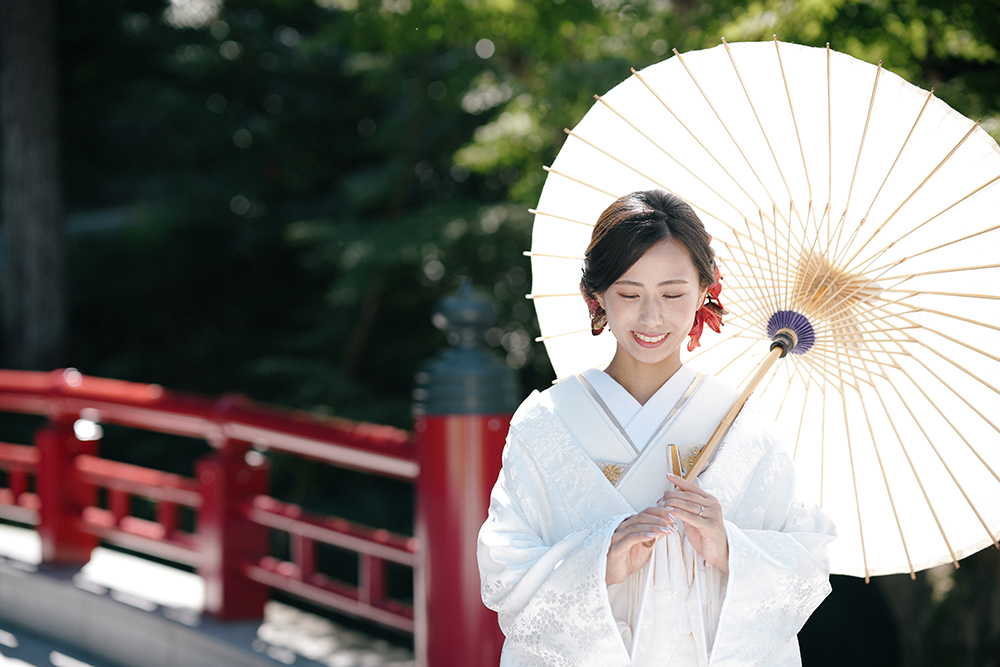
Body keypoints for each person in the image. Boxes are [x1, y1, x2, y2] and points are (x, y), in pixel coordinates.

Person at [477, 190, 836, 666]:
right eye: (629, 294)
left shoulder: (742, 428)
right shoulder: (546, 424)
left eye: (672, 294)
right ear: (596, 295)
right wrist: (600, 558)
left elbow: (807, 564)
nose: (651, 317)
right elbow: (504, 568)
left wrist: (728, 547)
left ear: (705, 290)